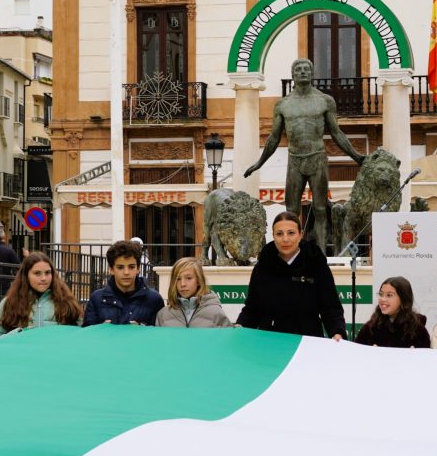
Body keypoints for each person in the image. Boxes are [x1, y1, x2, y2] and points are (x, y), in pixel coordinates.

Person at [243, 59, 365, 250]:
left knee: (320, 209)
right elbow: (274, 137)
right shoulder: (283, 105)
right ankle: (291, 250)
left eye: (306, 69)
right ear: (293, 75)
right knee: (291, 210)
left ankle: (322, 255)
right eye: (298, 69)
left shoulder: (324, 101)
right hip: (294, 160)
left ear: (312, 73)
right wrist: (259, 162)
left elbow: (336, 133)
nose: (302, 72)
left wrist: (357, 156)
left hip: (317, 157)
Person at [236, 212, 347, 339]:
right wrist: (241, 326)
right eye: (279, 234)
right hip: (269, 344)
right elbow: (252, 309)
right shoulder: (262, 267)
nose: (285, 239)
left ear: (301, 234)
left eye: (291, 233)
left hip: (307, 344)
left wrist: (338, 332)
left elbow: (331, 308)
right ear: (273, 236)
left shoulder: (316, 265)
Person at [0, 252, 83, 342]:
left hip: (55, 356)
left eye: (47, 273)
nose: (43, 278)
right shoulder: (8, 303)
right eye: (37, 273)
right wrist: (19, 334)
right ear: (26, 275)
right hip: (22, 356)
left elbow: (81, 336)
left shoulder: (67, 301)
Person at [83, 240, 165, 326]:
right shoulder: (96, 298)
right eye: (120, 267)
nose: (126, 272)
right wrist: (100, 330)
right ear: (111, 269)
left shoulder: (154, 299)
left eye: (131, 267)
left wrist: (143, 330)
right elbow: (87, 335)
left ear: (138, 269)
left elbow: (160, 335)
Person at [156, 257, 232, 328]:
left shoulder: (216, 312)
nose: (183, 284)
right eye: (178, 279)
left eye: (188, 278)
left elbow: (227, 339)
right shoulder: (163, 314)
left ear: (199, 280)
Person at [355, 276, 430, 348]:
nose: (383, 299)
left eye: (389, 295)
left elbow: (427, 357)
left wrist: (416, 355)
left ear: (403, 298)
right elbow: (356, 353)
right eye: (381, 294)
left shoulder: (418, 330)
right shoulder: (370, 328)